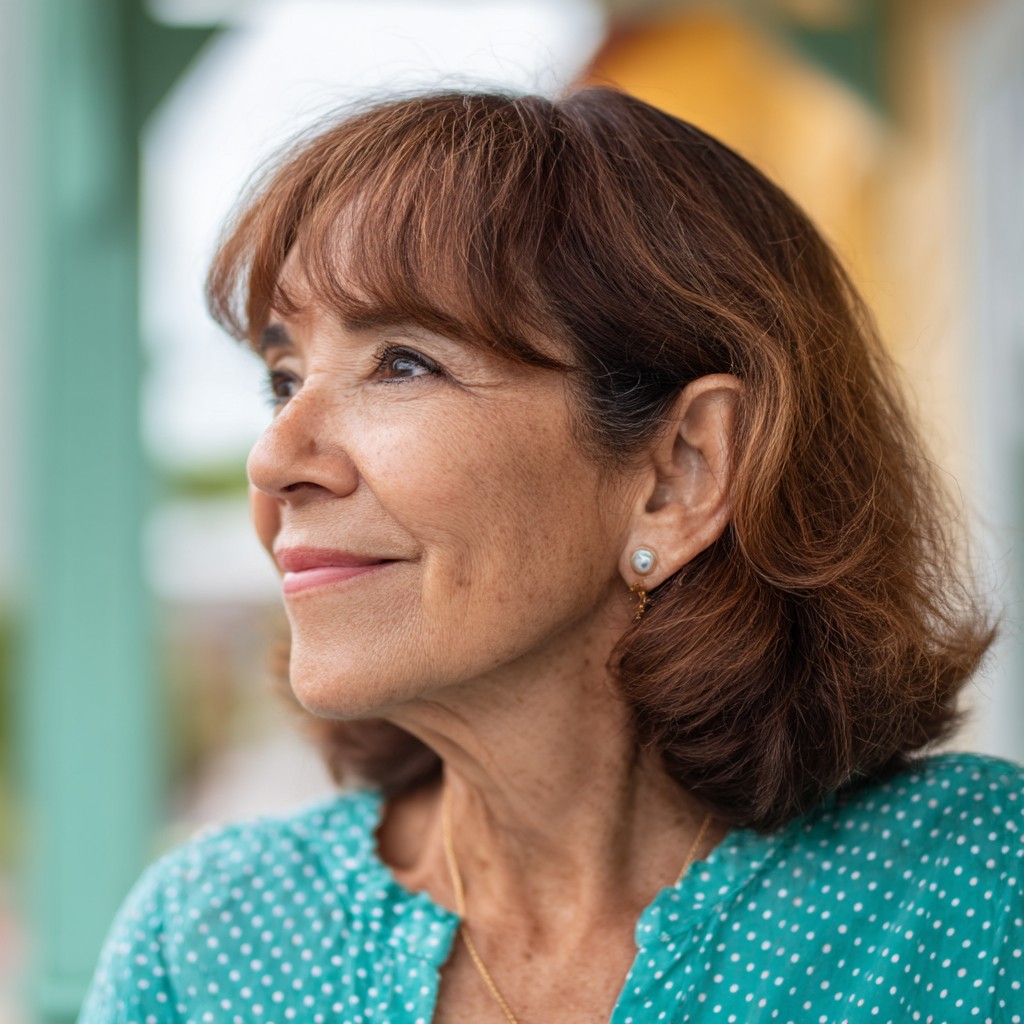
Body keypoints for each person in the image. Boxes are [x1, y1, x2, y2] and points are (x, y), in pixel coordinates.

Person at [79, 87, 1023, 1024]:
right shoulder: (206, 946)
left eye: (403, 362)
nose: (272, 458)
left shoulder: (983, 898)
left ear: (680, 472)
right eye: (283, 380)